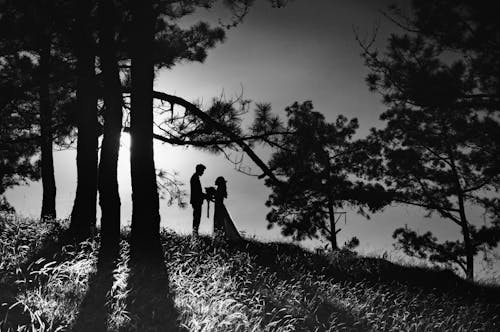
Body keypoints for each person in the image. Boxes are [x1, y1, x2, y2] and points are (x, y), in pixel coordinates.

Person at [212, 176, 242, 241]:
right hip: (219, 206)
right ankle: (221, 236)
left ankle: (221, 236)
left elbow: (218, 197)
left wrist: (213, 194)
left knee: (220, 221)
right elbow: (218, 198)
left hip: (219, 207)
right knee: (221, 221)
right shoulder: (220, 188)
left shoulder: (220, 188)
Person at [190, 164, 206, 237]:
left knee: (197, 217)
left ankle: (195, 232)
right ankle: (195, 233)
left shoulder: (195, 177)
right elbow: (197, 192)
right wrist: (205, 196)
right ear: (199, 170)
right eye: (202, 171)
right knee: (197, 217)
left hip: (196, 200)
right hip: (196, 201)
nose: (203, 172)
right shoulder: (195, 178)